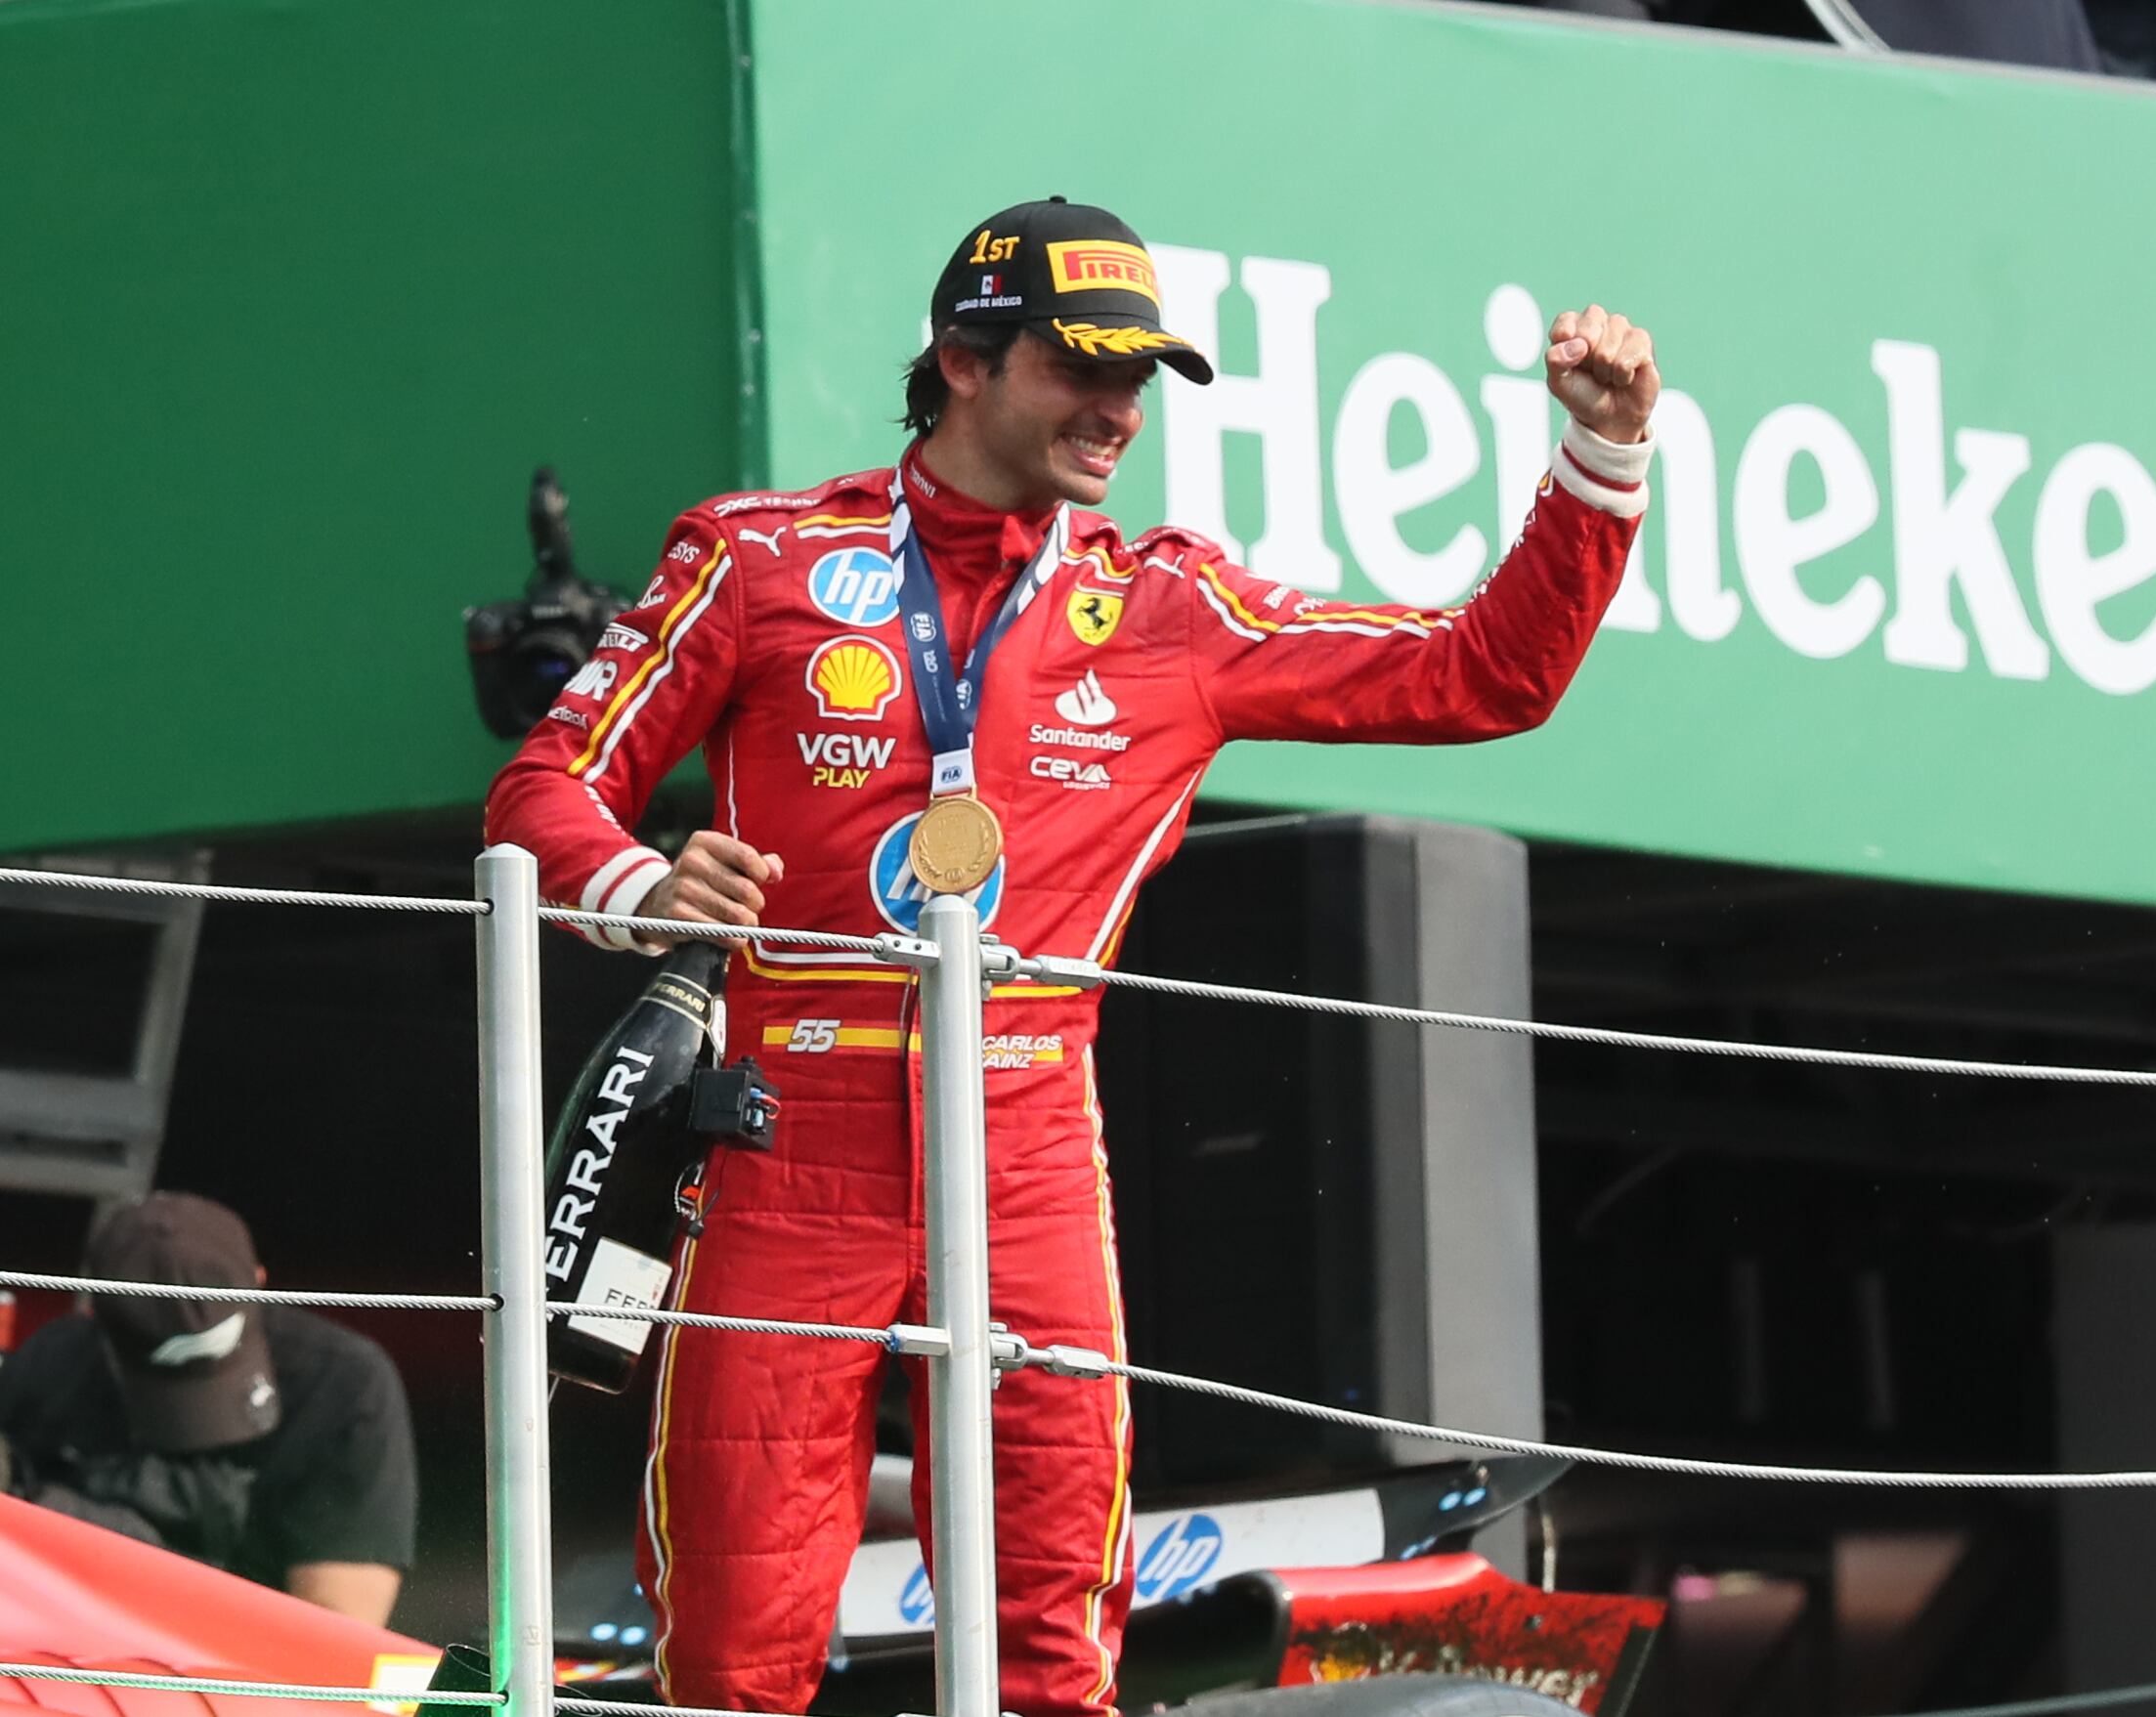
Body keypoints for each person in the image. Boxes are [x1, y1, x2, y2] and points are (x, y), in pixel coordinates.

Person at [486, 194, 1660, 1717]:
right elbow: (543, 789)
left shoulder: (1172, 603)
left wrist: (1600, 461)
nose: (1119, 409)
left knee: (1052, 1639)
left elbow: (1482, 674)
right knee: (733, 1641)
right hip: (785, 1144)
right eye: (1082, 367)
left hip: (1030, 1139)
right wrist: (645, 883)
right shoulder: (759, 558)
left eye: (1140, 377)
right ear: (964, 361)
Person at [0, 1192, 416, 1624]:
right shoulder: (53, 1365)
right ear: (93, 1317)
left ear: (259, 1283)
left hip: (245, 1677)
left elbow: (339, 1638)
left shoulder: (342, 1387)